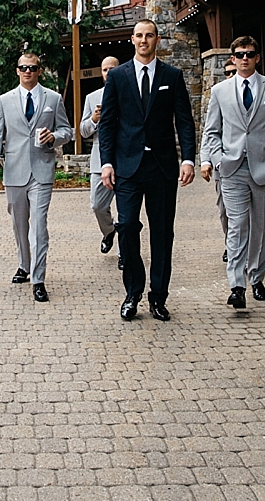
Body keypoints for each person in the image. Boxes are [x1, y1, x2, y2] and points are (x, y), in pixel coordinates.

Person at [99, 19, 197, 322]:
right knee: (127, 226)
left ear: (157, 40)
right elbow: (108, 124)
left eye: (149, 36)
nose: (144, 40)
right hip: (127, 168)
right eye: (139, 36)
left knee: (162, 235)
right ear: (132, 39)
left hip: (163, 168)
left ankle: (158, 297)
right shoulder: (117, 76)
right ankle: (133, 292)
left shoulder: (172, 75)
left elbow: (184, 121)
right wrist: (106, 162)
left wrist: (188, 159)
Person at [201, 36, 265, 310]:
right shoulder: (220, 92)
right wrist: (213, 160)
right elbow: (211, 131)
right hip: (231, 169)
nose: (244, 58)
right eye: (239, 54)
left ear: (257, 58)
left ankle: (257, 278)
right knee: (237, 227)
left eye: (249, 54)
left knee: (261, 228)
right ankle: (237, 286)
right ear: (232, 58)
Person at [0, 53, 74, 303]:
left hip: (42, 171)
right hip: (14, 171)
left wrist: (54, 137)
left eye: (32, 68)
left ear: (39, 71)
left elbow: (68, 130)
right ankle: (24, 264)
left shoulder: (53, 99)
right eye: (23, 67)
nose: (27, 71)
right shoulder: (4, 100)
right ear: (17, 71)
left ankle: (38, 279)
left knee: (39, 225)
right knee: (19, 224)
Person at [79, 56, 122, 269]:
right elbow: (83, 131)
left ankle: (125, 253)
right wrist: (94, 120)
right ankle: (109, 231)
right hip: (99, 161)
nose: (108, 73)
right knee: (97, 205)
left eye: (112, 69)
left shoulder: (130, 93)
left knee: (126, 209)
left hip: (125, 159)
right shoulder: (92, 98)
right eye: (105, 70)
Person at [218, 61, 237, 264]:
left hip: (253, 165)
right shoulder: (220, 94)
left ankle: (242, 252)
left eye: (233, 71)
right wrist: (208, 160)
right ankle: (229, 243)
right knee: (225, 211)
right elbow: (211, 130)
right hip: (223, 164)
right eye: (227, 72)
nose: (230, 75)